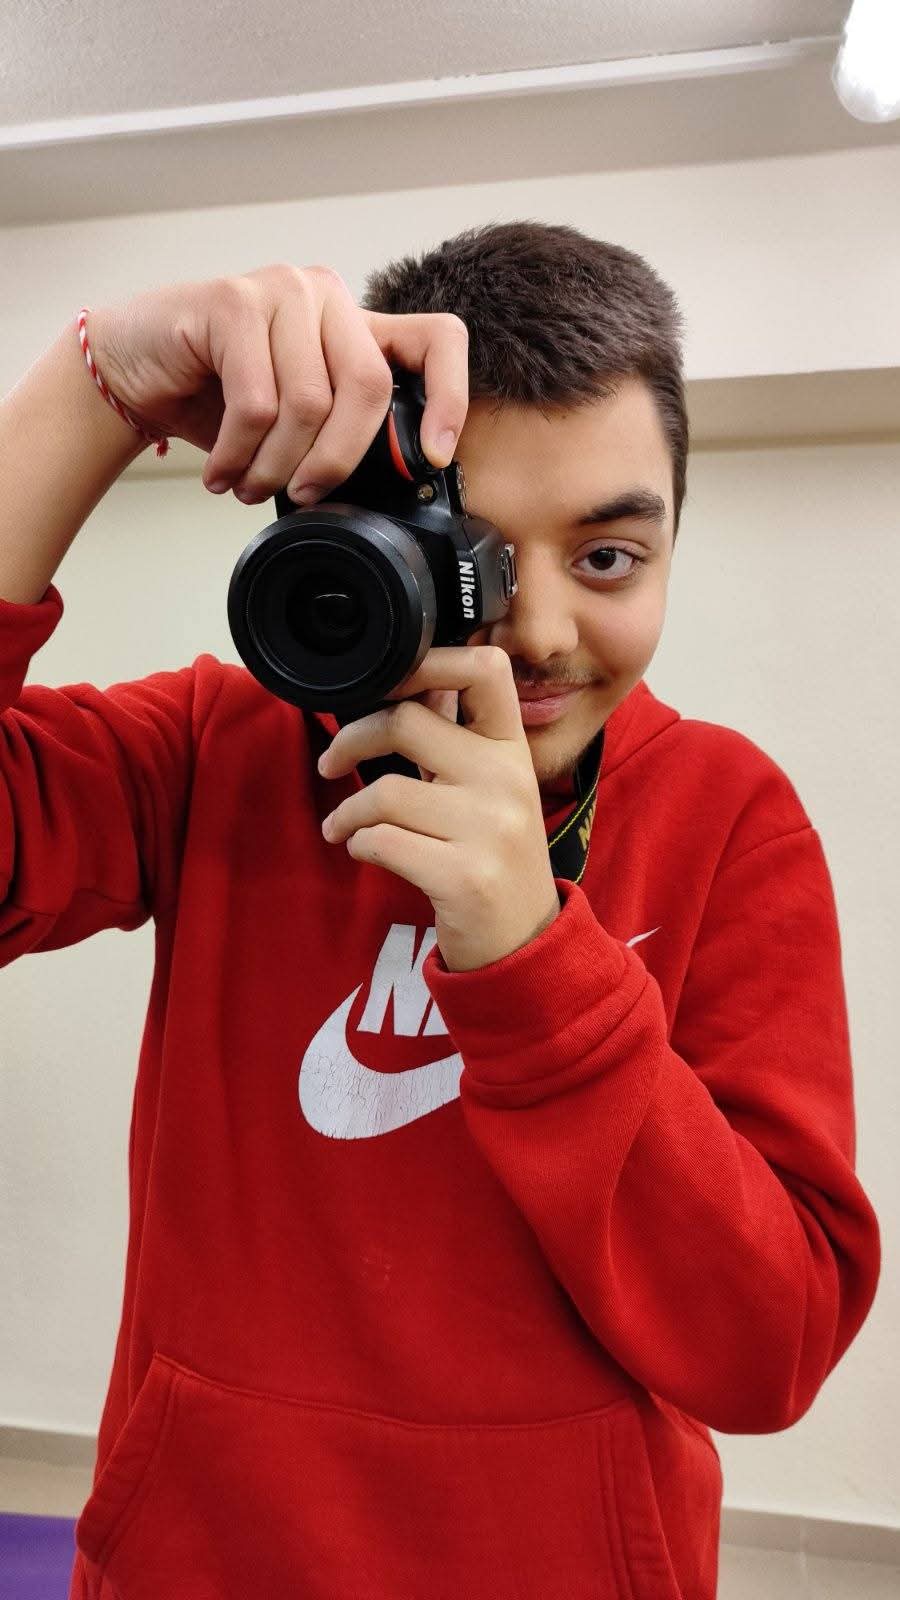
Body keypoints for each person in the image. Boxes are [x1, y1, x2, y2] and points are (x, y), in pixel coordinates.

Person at [0, 222, 880, 1600]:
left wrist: (537, 961)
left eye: (608, 558)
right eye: (472, 556)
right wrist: (93, 388)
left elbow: (768, 1350)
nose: (539, 633)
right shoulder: (216, 751)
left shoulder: (728, 816)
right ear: (355, 537)